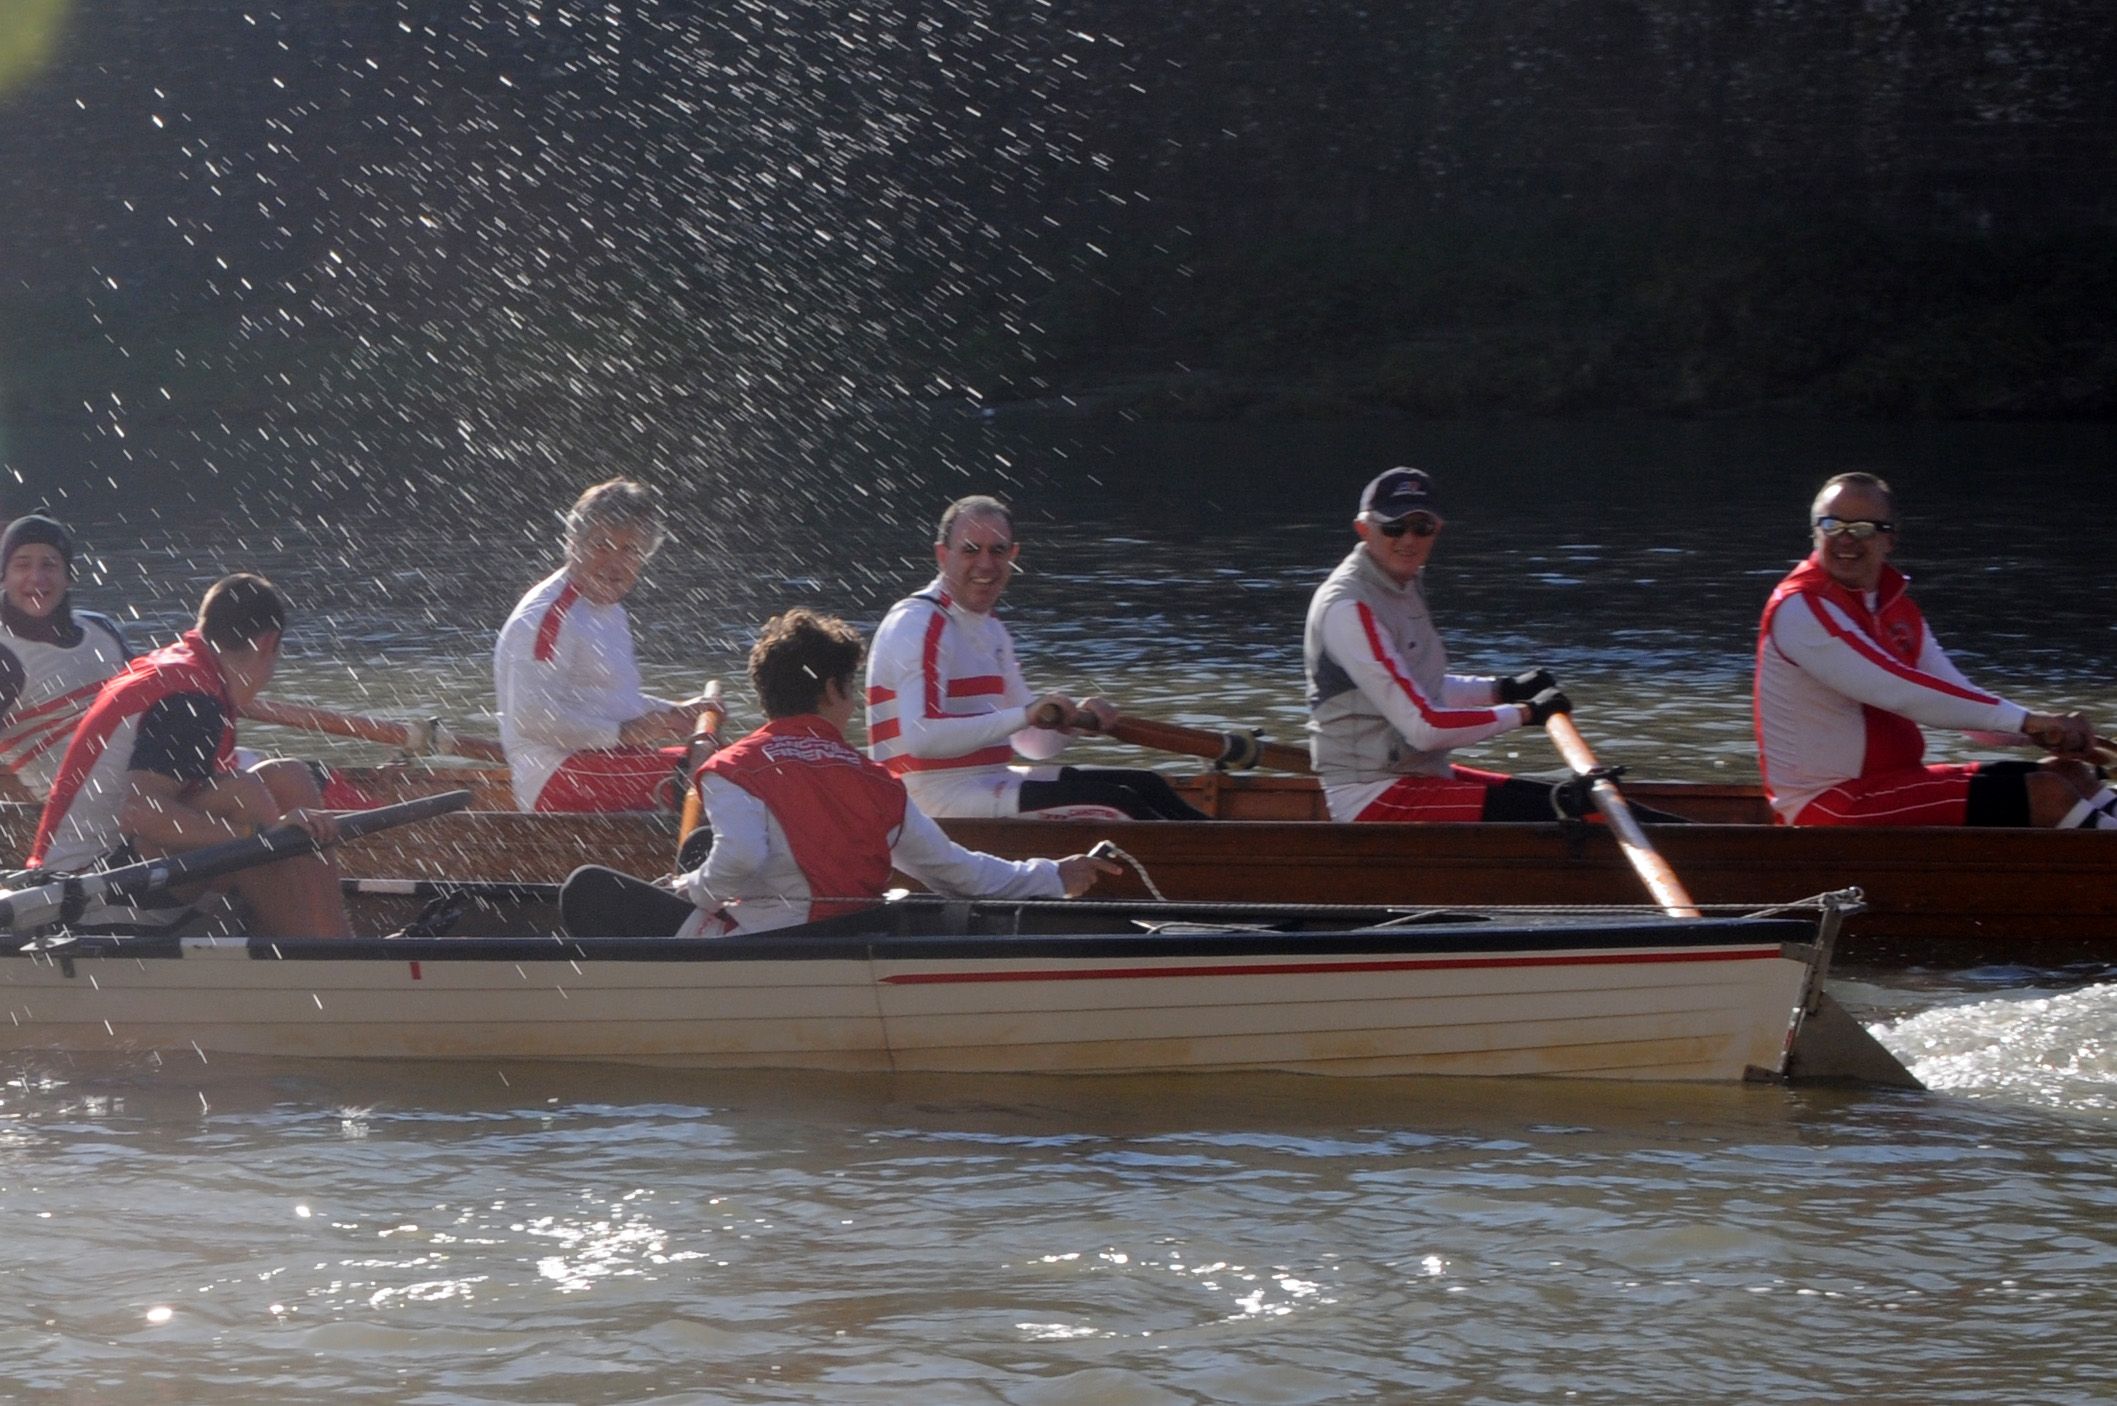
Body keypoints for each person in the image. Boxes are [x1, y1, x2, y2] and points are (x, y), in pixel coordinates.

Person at [560, 608, 1118, 937]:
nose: (852, 704)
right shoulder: (876, 780)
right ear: (831, 691)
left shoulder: (735, 768)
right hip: (848, 936)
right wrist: (1051, 875)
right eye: (850, 689)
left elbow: (744, 859)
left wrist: (689, 891)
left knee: (585, 889)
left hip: (770, 947)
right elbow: (957, 873)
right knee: (700, 844)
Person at [1755, 472, 2112, 828]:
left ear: (1889, 538)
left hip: (1891, 787)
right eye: (1832, 525)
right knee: (2047, 794)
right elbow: (1897, 691)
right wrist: (2028, 721)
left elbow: (1965, 706)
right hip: (1828, 806)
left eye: (1862, 528)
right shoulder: (1800, 608)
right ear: (1815, 532)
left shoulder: (1898, 610)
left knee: (2073, 776)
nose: (1845, 539)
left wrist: (2044, 730)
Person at [27, 573, 352, 937]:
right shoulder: (191, 699)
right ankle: (307, 961)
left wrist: (263, 835)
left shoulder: (189, 669)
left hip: (113, 869)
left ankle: (337, 943)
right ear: (268, 643)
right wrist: (258, 836)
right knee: (243, 795)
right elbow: (140, 813)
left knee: (287, 776)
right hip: (80, 897)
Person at [864, 494, 1208, 821]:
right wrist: (1026, 714)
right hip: (925, 802)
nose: (986, 564)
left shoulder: (992, 629)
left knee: (1147, 784)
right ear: (942, 555)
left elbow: (1032, 743)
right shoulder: (919, 623)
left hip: (986, 782)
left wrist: (1073, 723)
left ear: (1013, 554)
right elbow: (921, 738)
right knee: (1119, 804)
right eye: (971, 550)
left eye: (998, 551)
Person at [1304, 467, 1574, 823]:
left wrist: (1501, 689)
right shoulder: (1348, 608)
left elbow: (1418, 686)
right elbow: (1424, 726)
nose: (1408, 540)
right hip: (1372, 797)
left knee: (1572, 803)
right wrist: (1525, 713)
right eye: (1394, 528)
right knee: (1562, 815)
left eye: (1422, 528)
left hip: (1416, 773)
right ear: (1364, 529)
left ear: (1437, 530)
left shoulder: (1403, 581)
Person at [494, 479, 719, 812]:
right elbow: (532, 717)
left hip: (600, 761)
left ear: (645, 556)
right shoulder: (550, 616)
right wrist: (624, 734)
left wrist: (674, 713)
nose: (614, 563)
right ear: (573, 544)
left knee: (736, 761)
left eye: (629, 550)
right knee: (723, 778)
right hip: (553, 777)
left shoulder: (608, 610)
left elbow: (606, 700)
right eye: (602, 544)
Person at [0, 512, 132, 799]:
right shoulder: (4, 656)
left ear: (68, 577)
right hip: (71, 827)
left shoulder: (102, 628)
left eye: (49, 564)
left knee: (252, 779)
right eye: (23, 565)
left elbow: (160, 702)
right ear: (4, 578)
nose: (37, 577)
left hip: (147, 793)